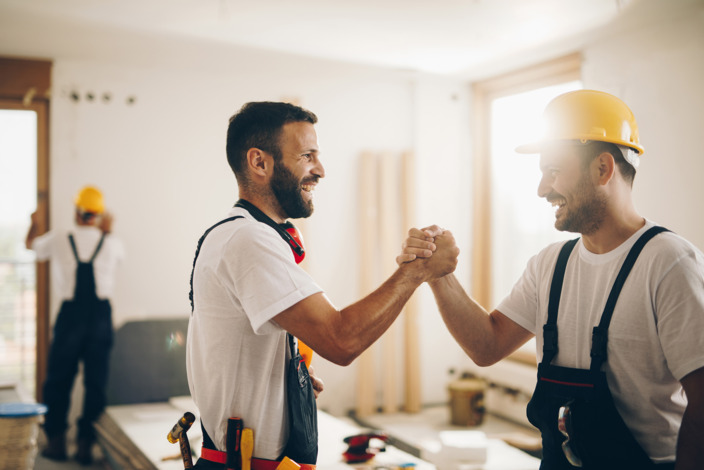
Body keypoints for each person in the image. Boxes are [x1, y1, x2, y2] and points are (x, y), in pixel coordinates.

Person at [399, 90, 704, 469]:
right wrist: (439, 275)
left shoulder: (669, 263)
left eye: (554, 171)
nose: (542, 189)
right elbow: (487, 346)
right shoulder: (550, 264)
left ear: (603, 169)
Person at [186, 101, 459, 469]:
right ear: (259, 162)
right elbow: (341, 339)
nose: (320, 170)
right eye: (307, 155)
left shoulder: (250, 236)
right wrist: (416, 272)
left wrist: (286, 379)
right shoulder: (248, 240)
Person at [26, 185, 125, 465]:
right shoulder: (113, 242)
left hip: (70, 317)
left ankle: (56, 444)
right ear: (98, 216)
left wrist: (33, 223)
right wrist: (108, 232)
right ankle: (85, 447)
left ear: (77, 212)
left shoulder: (59, 237)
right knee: (96, 384)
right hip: (100, 318)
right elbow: (118, 261)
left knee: (57, 380)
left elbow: (31, 246)